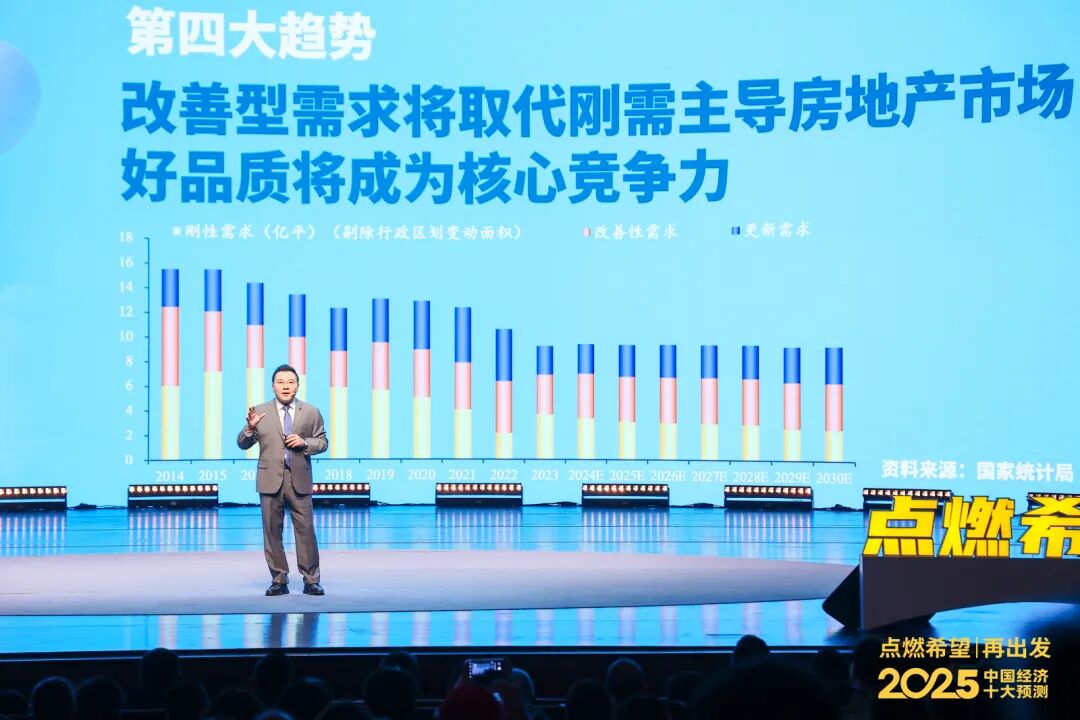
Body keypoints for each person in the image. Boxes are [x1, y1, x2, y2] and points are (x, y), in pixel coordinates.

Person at [238, 364, 328, 596]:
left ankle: (311, 580)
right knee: (272, 531)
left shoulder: (311, 411)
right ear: (273, 386)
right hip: (270, 478)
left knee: (305, 530)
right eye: (280, 382)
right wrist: (250, 428)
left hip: (299, 478)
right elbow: (242, 443)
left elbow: (322, 442)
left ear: (297, 385)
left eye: (290, 382)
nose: (286, 386)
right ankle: (279, 579)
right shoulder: (259, 411)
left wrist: (305, 442)